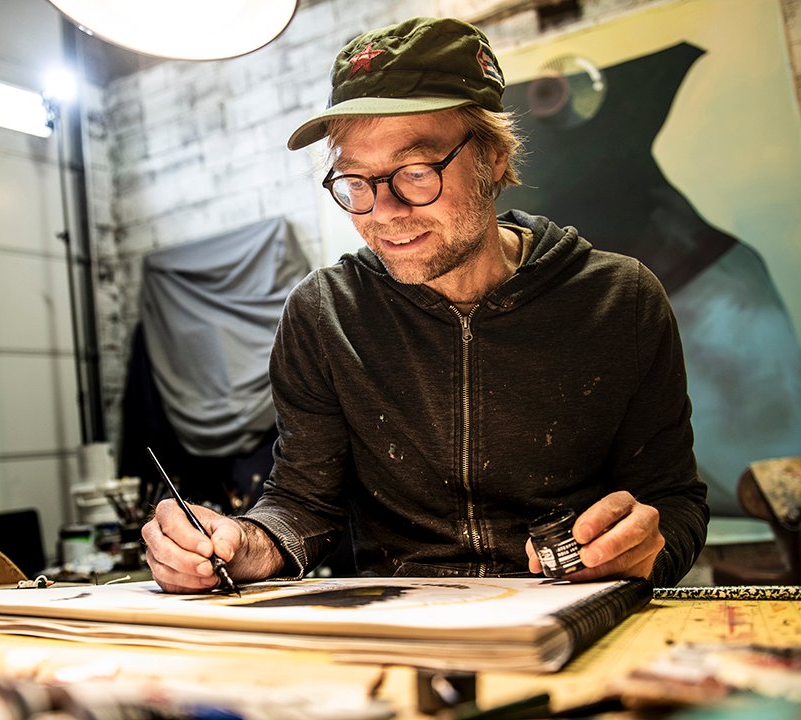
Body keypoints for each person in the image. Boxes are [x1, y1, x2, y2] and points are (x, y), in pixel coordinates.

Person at [142, 16, 709, 593]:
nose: (383, 211)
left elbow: (674, 502)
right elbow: (300, 504)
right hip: (403, 640)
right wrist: (237, 546)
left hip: (574, 625)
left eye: (415, 173)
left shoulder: (621, 299)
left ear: (491, 158)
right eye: (356, 181)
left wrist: (646, 549)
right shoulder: (325, 313)